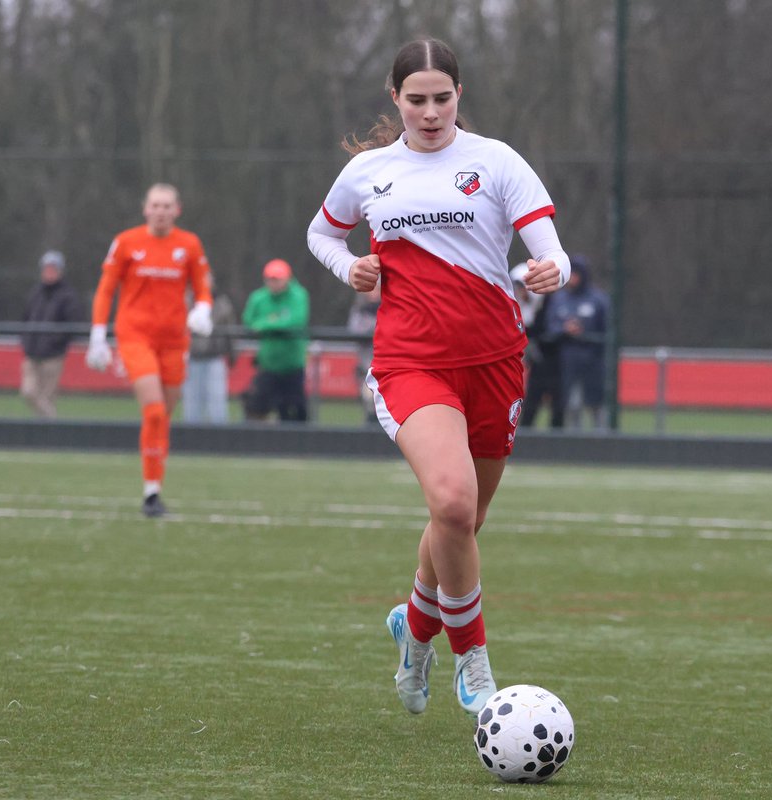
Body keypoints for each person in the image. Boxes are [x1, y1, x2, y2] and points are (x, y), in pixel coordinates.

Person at [306, 37, 570, 718]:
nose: (429, 112)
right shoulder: (370, 171)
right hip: (410, 360)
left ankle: (414, 632)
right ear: (395, 99)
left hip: (494, 362)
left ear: (460, 96)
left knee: (463, 522)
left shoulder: (496, 161)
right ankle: (471, 660)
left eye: (442, 98)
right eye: (415, 99)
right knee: (452, 504)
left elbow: (550, 250)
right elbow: (322, 235)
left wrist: (553, 269)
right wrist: (350, 269)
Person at [84, 183, 213, 518]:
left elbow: (202, 289)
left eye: (167, 206)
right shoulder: (126, 242)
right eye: (155, 205)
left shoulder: (189, 244)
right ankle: (150, 493)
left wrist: (202, 310)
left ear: (177, 210)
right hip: (135, 336)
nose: (161, 211)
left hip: (174, 341)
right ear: (145, 209)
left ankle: (155, 489)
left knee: (162, 418)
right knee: (154, 411)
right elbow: (105, 290)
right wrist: (98, 335)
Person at [543, 254, 609, 429]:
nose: (573, 279)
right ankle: (576, 440)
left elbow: (607, 331)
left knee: (596, 404)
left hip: (593, 362)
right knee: (573, 404)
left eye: (576, 274)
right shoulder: (559, 299)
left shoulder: (598, 300)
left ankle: (601, 440)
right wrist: (565, 330)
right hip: (567, 362)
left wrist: (585, 333)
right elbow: (551, 327)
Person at [241, 259, 310, 422]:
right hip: (268, 365)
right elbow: (248, 320)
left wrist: (266, 324)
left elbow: (296, 321)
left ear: (288, 278)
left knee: (295, 411)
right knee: (256, 408)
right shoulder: (258, 297)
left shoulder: (298, 295)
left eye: (277, 279)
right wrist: (275, 322)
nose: (273, 283)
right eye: (270, 279)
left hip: (293, 365)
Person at [19, 250, 85, 418]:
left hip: (53, 356)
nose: (49, 272)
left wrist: (56, 342)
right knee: (29, 392)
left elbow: (73, 324)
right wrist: (26, 341)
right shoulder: (35, 293)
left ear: (60, 271)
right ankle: (53, 422)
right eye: (46, 268)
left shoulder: (68, 296)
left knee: (47, 396)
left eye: (53, 269)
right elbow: (25, 318)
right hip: (32, 353)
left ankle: (43, 432)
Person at [512, 263, 565, 430]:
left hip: (553, 360)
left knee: (557, 398)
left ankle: (557, 433)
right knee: (532, 398)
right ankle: (527, 431)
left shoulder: (548, 305)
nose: (520, 291)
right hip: (536, 361)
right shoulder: (519, 307)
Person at [181, 280, 236, 424]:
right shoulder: (186, 300)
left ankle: (220, 438)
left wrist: (232, 354)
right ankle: (191, 437)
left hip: (214, 358)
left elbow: (230, 330)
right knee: (192, 401)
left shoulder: (222, 303)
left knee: (217, 400)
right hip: (192, 358)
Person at [345, 280, 382, 422]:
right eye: (370, 290)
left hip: (389, 366)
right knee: (370, 402)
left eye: (376, 290)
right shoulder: (360, 310)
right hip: (367, 366)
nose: (373, 294)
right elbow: (355, 331)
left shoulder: (390, 308)